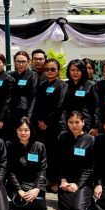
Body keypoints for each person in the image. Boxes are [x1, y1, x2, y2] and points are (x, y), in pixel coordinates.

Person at [30, 58, 67, 188]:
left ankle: (56, 181)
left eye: (53, 69)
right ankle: (44, 180)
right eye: (47, 69)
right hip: (41, 126)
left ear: (58, 70)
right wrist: (40, 121)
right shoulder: (43, 84)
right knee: (44, 153)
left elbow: (59, 106)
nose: (50, 71)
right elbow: (37, 104)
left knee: (55, 154)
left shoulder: (62, 85)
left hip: (56, 125)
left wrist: (47, 123)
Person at [6, 117, 48, 210]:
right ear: (16, 130)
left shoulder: (39, 146)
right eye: (20, 130)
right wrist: (19, 190)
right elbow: (10, 171)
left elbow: (42, 169)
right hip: (16, 185)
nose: (23, 133)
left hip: (34, 185)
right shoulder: (10, 145)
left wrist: (37, 189)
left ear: (31, 130)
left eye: (26, 130)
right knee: (23, 205)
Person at [57, 111, 96, 210]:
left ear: (83, 122)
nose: (74, 125)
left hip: (83, 181)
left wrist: (78, 184)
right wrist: (63, 179)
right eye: (71, 122)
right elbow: (60, 161)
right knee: (65, 207)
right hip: (67, 181)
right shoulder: (63, 137)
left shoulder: (90, 139)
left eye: (77, 122)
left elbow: (90, 167)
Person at [61, 59, 99, 133]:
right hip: (68, 125)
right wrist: (63, 125)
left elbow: (97, 107)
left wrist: (96, 126)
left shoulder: (91, 85)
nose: (75, 73)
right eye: (72, 70)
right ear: (68, 71)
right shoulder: (64, 85)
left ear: (83, 71)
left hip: (86, 124)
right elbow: (62, 107)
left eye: (78, 70)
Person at [9, 51, 37, 121]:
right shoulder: (11, 75)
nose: (21, 64)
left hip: (24, 111)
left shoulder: (33, 75)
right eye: (18, 61)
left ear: (28, 62)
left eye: (23, 61)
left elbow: (33, 96)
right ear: (14, 62)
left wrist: (28, 115)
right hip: (11, 110)